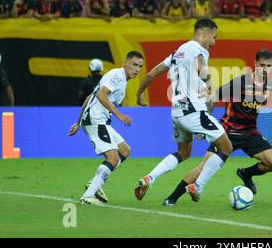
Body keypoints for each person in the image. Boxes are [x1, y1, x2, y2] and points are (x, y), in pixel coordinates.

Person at [163, 49, 272, 206]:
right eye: (262, 65)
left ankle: (245, 173)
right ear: (255, 64)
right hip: (228, 132)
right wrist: (202, 123)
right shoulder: (240, 82)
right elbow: (213, 97)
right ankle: (172, 197)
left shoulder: (268, 86)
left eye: (269, 66)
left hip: (249, 133)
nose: (265, 69)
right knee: (203, 167)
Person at [134, 19, 233, 202]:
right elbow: (202, 69)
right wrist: (209, 86)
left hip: (177, 112)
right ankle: (198, 186)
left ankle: (150, 178)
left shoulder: (177, 52)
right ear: (206, 32)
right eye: (214, 37)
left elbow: (151, 73)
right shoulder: (199, 50)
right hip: (194, 110)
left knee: (184, 153)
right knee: (226, 147)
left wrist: (139, 93)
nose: (214, 42)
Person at [68, 51, 144, 205]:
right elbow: (101, 95)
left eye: (140, 67)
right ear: (126, 63)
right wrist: (119, 114)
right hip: (96, 120)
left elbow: (90, 96)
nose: (137, 69)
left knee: (124, 150)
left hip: (98, 120)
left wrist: (78, 122)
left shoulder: (121, 81)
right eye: (134, 65)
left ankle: (95, 184)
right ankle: (88, 196)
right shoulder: (117, 76)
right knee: (113, 158)